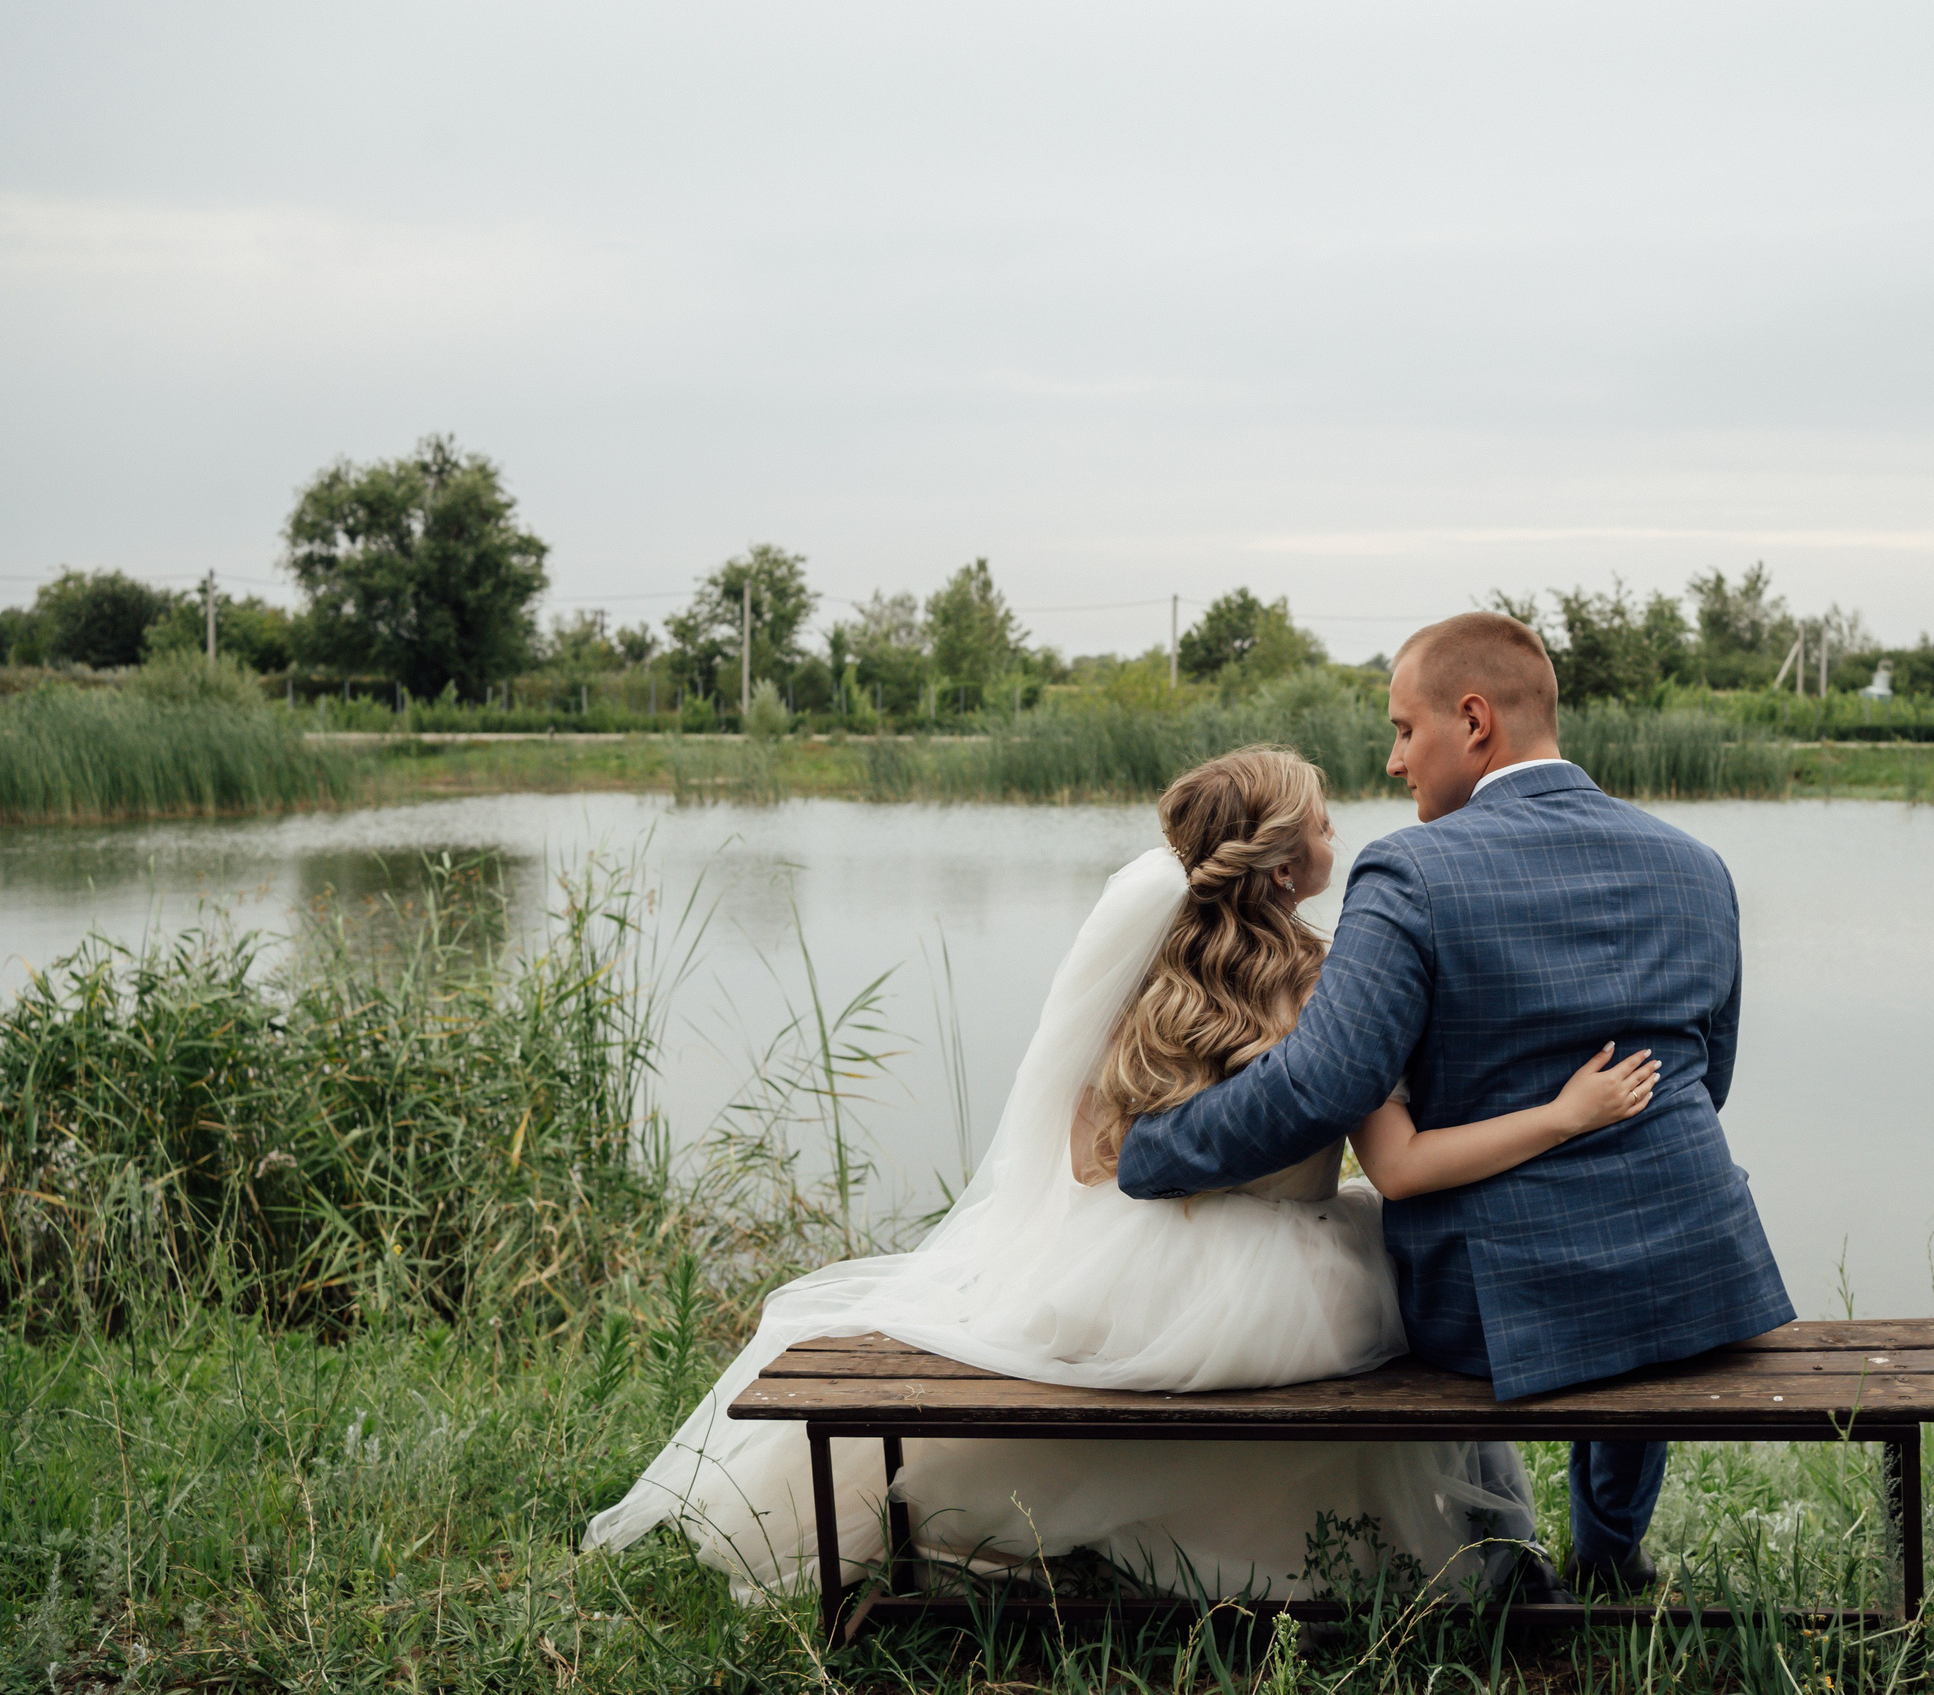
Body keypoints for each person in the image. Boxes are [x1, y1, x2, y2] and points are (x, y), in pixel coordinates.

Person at [585, 744, 1653, 1602]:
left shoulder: (1160, 986)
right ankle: (1325, 1555)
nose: (1341, 831)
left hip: (1143, 1263)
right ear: (1286, 866)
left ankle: (1063, 1537)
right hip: (1300, 1282)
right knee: (1417, 1289)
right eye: (1324, 823)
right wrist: (1563, 1113)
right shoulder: (1336, 982)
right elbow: (1403, 1163)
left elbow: (1085, 1154)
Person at [1115, 613, 1796, 1594]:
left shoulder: (1411, 871)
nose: (1394, 760)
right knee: (1629, 1299)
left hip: (1495, 1301)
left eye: (1403, 728)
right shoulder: (1698, 864)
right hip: (1699, 1270)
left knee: (1417, 1280)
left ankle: (1502, 1562)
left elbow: (1325, 1081)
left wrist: (1156, 1150)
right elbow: (1705, 1081)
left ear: (1473, 721)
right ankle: (1607, 1559)